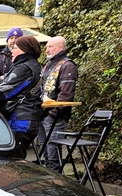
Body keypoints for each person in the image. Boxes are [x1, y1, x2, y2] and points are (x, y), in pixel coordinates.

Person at [0, 35, 43, 151]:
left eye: (15, 48)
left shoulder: (23, 69)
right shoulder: (36, 66)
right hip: (30, 118)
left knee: (13, 158)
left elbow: (3, 93)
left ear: (24, 50)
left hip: (19, 121)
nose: (11, 52)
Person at [36, 36, 79, 171]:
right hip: (42, 113)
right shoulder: (49, 64)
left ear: (61, 47)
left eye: (50, 47)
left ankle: (56, 178)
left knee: (53, 149)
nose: (47, 50)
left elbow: (66, 94)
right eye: (46, 47)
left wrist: (54, 113)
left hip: (55, 116)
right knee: (45, 149)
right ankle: (49, 176)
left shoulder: (67, 65)